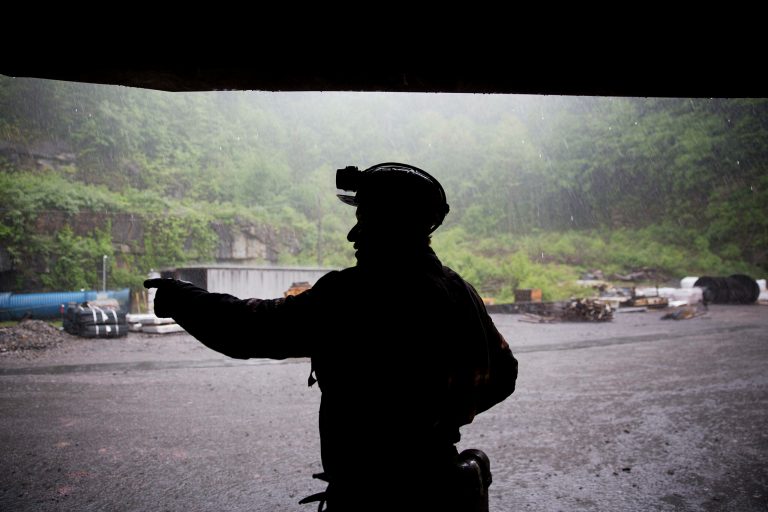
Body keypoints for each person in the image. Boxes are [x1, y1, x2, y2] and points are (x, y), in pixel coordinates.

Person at [144, 162, 518, 511]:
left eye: (365, 218)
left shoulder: (355, 293)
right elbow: (504, 375)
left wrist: (182, 297)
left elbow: (252, 329)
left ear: (395, 223)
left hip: (371, 494)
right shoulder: (460, 291)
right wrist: (432, 419)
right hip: (441, 481)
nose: (353, 233)